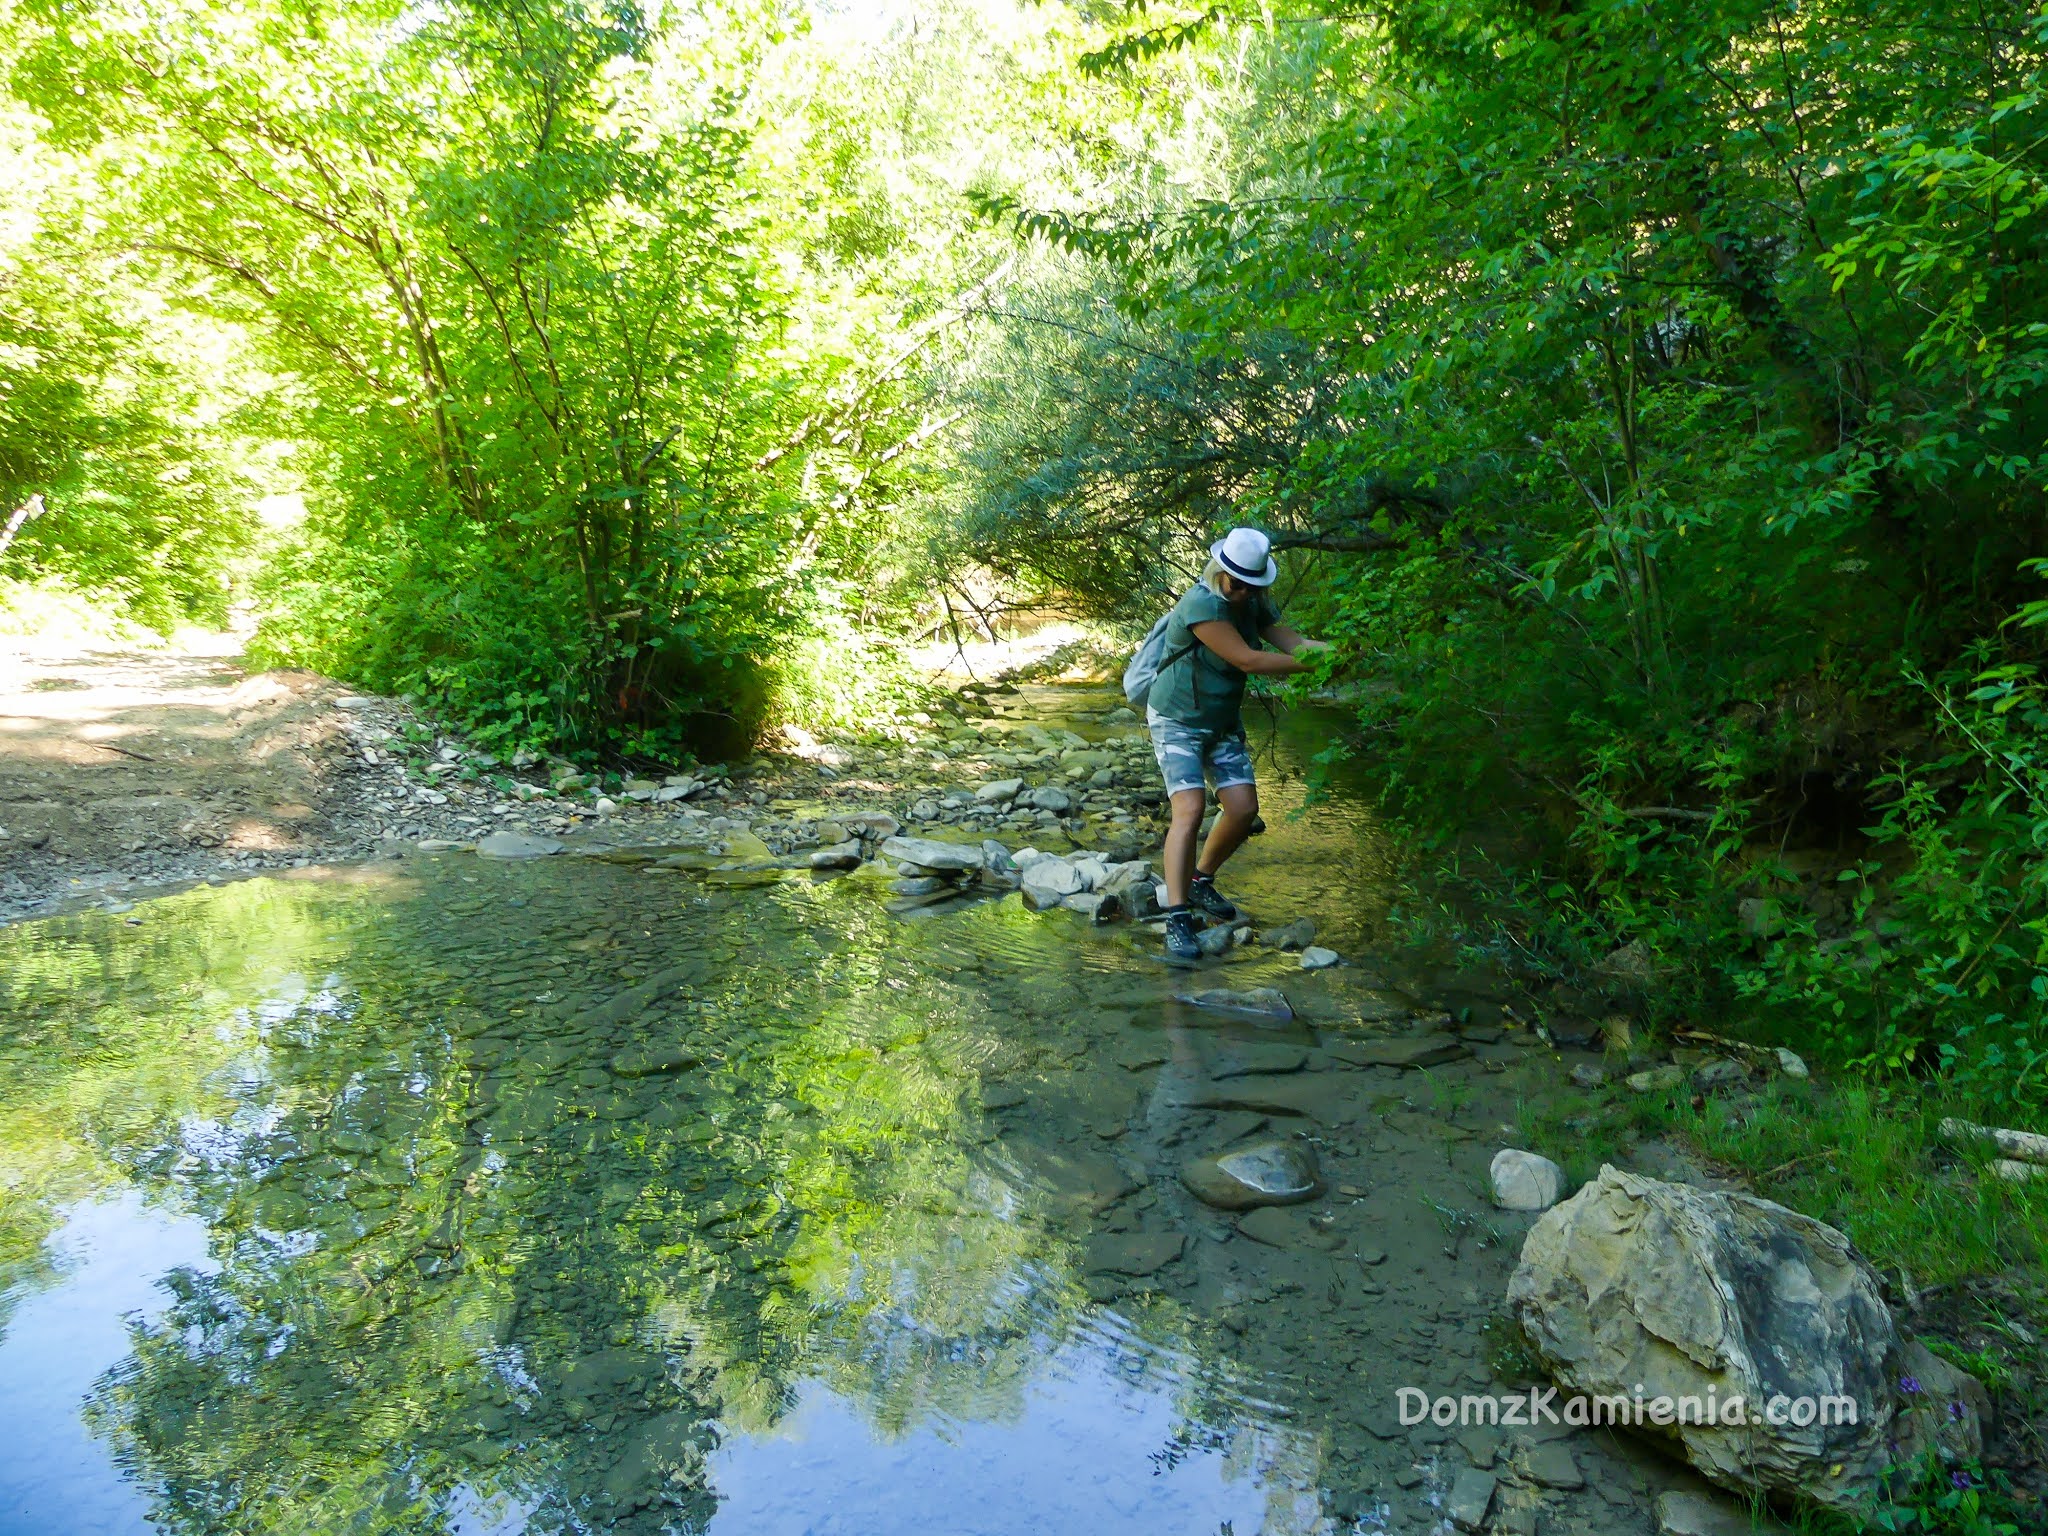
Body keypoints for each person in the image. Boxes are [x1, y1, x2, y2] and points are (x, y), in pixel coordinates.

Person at [1147, 527, 1329, 961]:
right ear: (1220, 571)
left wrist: (1336, 653)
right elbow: (1248, 659)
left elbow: (1292, 643)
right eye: (1237, 582)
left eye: (1252, 583)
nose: (1244, 590)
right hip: (1176, 718)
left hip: (1221, 720)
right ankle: (1176, 916)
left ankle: (1200, 880)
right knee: (1189, 810)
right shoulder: (1202, 603)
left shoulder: (1253, 601)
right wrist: (1312, 668)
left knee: (1244, 809)